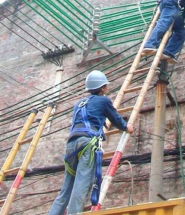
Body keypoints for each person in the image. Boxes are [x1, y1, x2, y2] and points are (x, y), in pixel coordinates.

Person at [49, 70, 134, 215]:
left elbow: (82, 121)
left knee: (66, 188)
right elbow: (115, 118)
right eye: (105, 86)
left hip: (71, 145)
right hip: (87, 144)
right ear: (102, 88)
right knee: (81, 185)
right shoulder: (104, 101)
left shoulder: (79, 104)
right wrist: (127, 127)